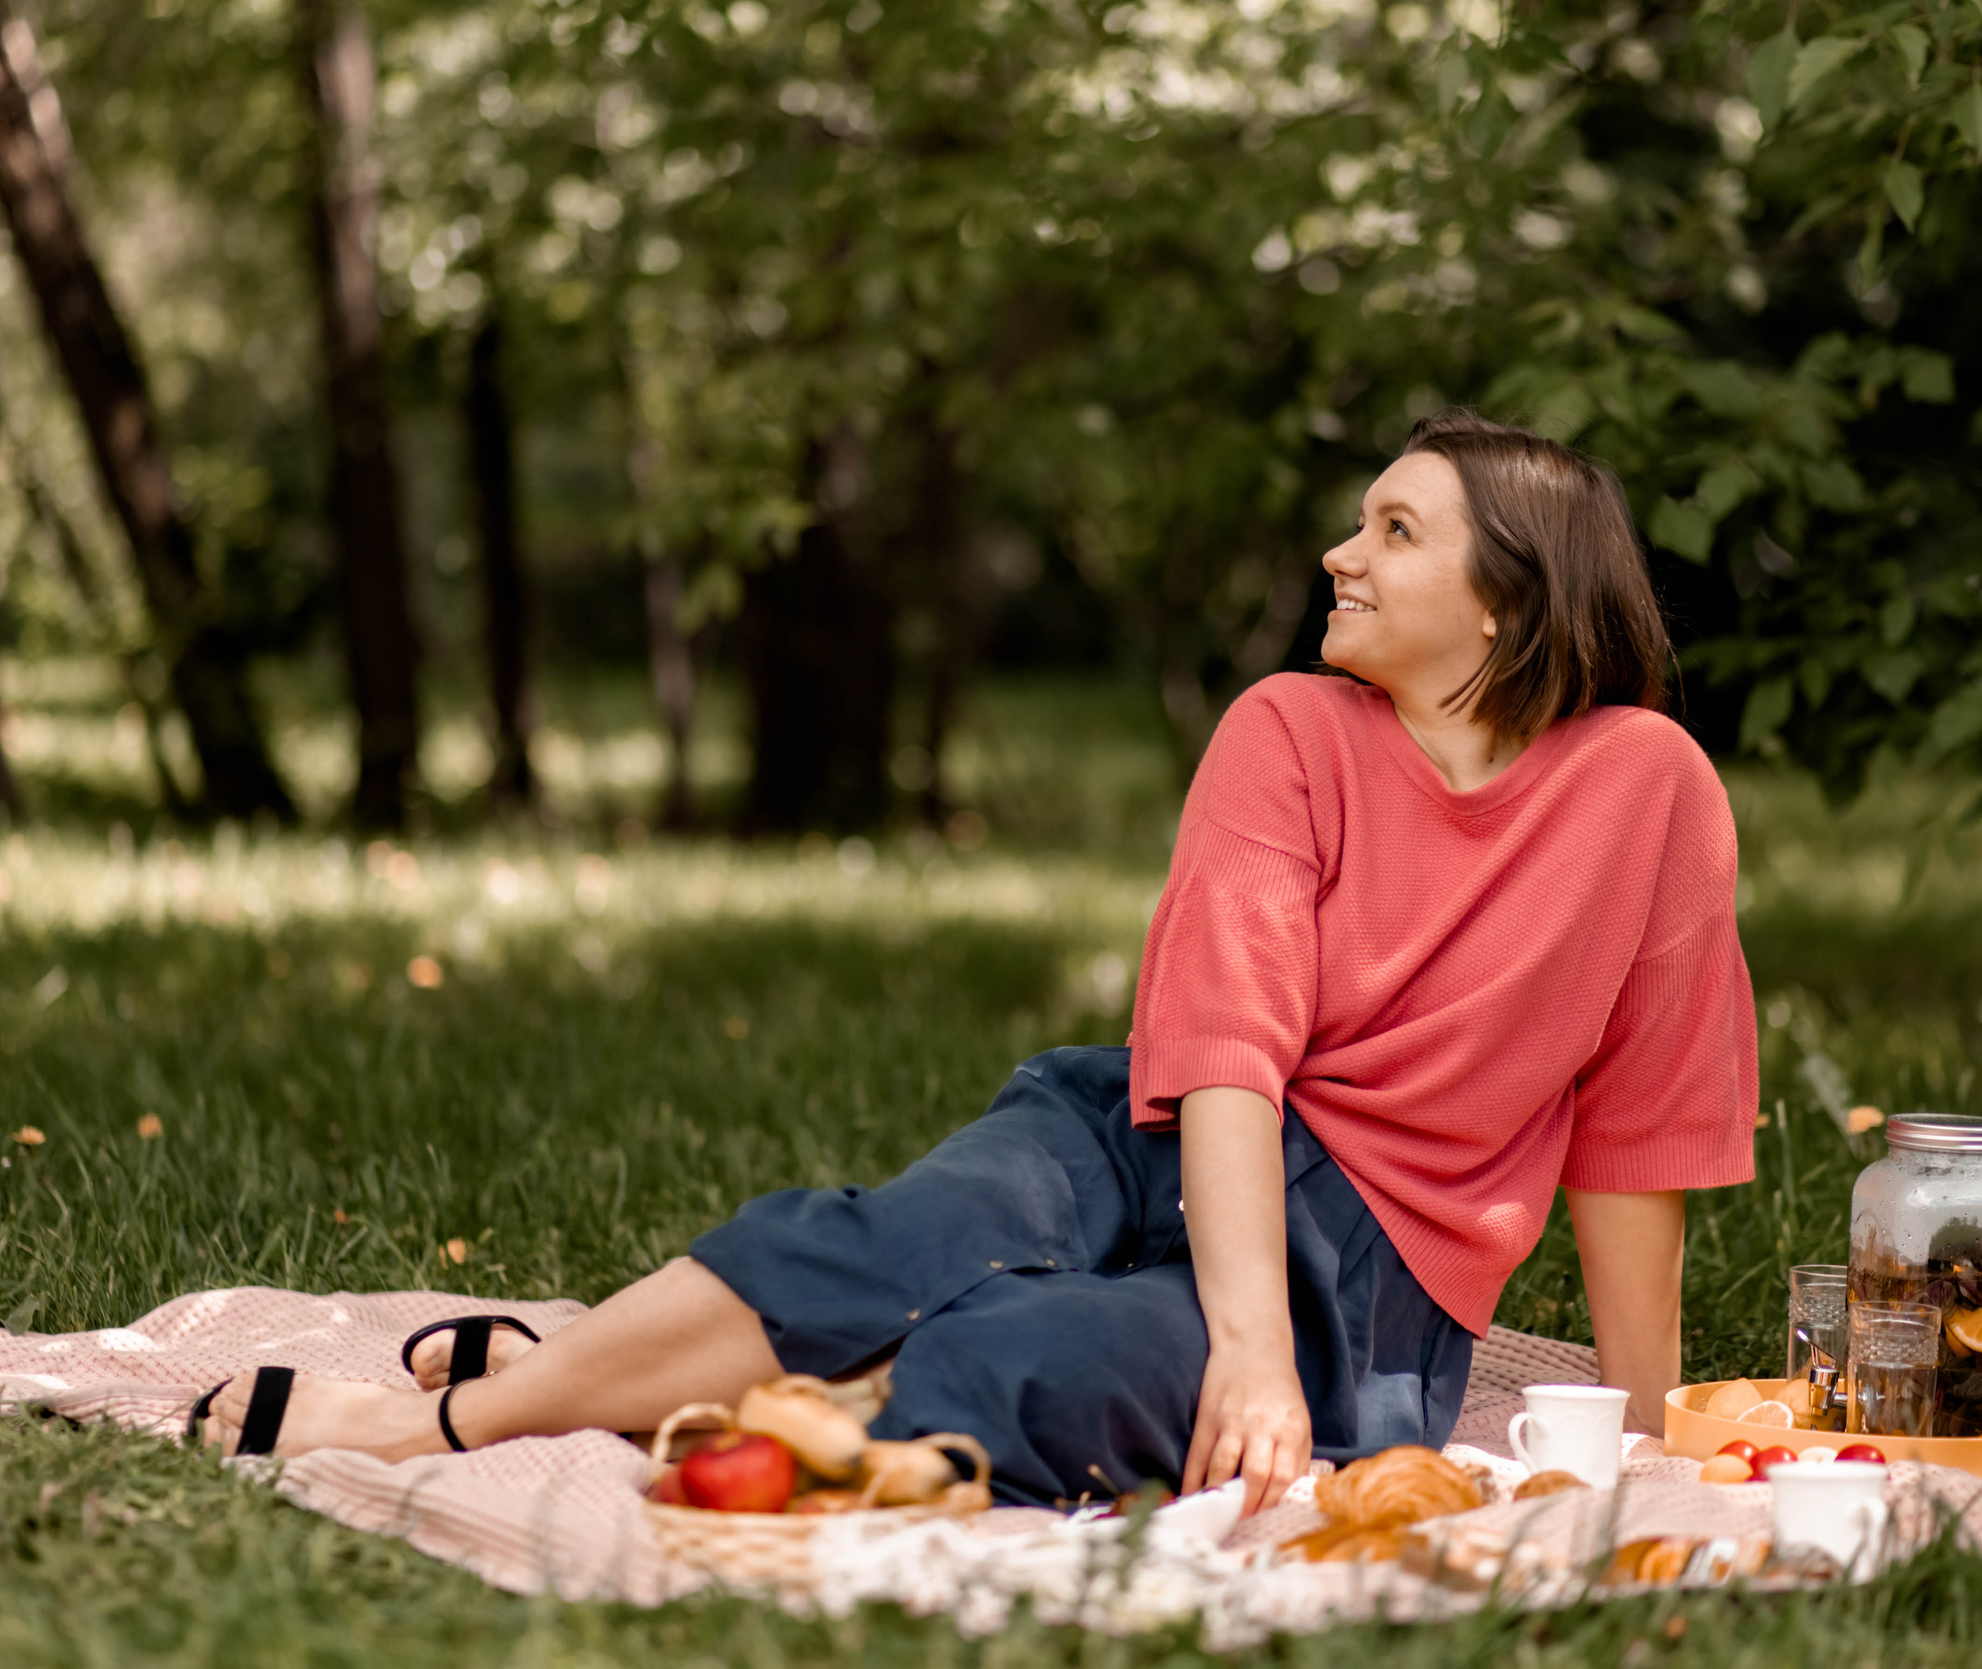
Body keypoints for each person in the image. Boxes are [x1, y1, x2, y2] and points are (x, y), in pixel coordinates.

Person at [194, 410, 1759, 1513]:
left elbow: (1642, 1124)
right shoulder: (1285, 728)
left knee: (1031, 1365)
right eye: (1360, 520)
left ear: (1505, 609)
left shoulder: (1650, 794)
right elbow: (1221, 1045)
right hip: (1154, 1126)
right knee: (886, 1244)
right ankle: (442, 1418)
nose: (1340, 554)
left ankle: (683, 1389)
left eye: (1394, 531)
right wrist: (1253, 1357)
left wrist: (1635, 1436)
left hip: (1378, 1265)